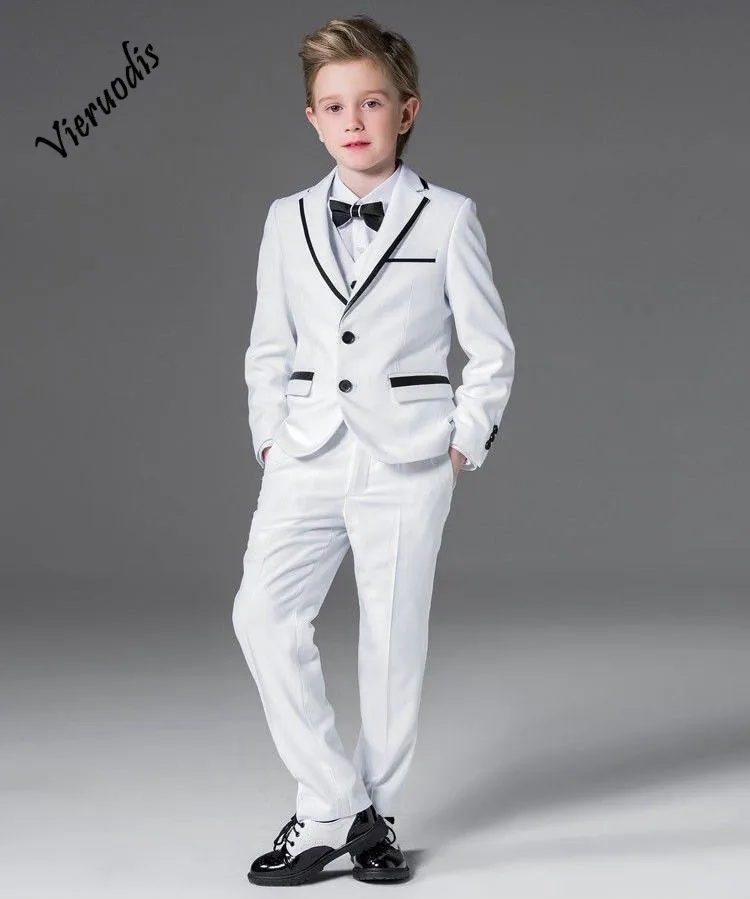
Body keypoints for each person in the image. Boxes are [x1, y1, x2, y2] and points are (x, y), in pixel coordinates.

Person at [231, 14, 516, 887]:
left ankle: (376, 815)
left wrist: (462, 445)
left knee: (392, 645)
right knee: (261, 616)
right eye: (333, 105)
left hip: (409, 459)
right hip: (307, 451)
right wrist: (271, 438)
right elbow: (268, 346)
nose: (353, 120)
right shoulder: (286, 219)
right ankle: (335, 801)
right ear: (312, 119)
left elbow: (491, 349)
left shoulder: (449, 216)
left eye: (371, 102)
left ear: (407, 110)